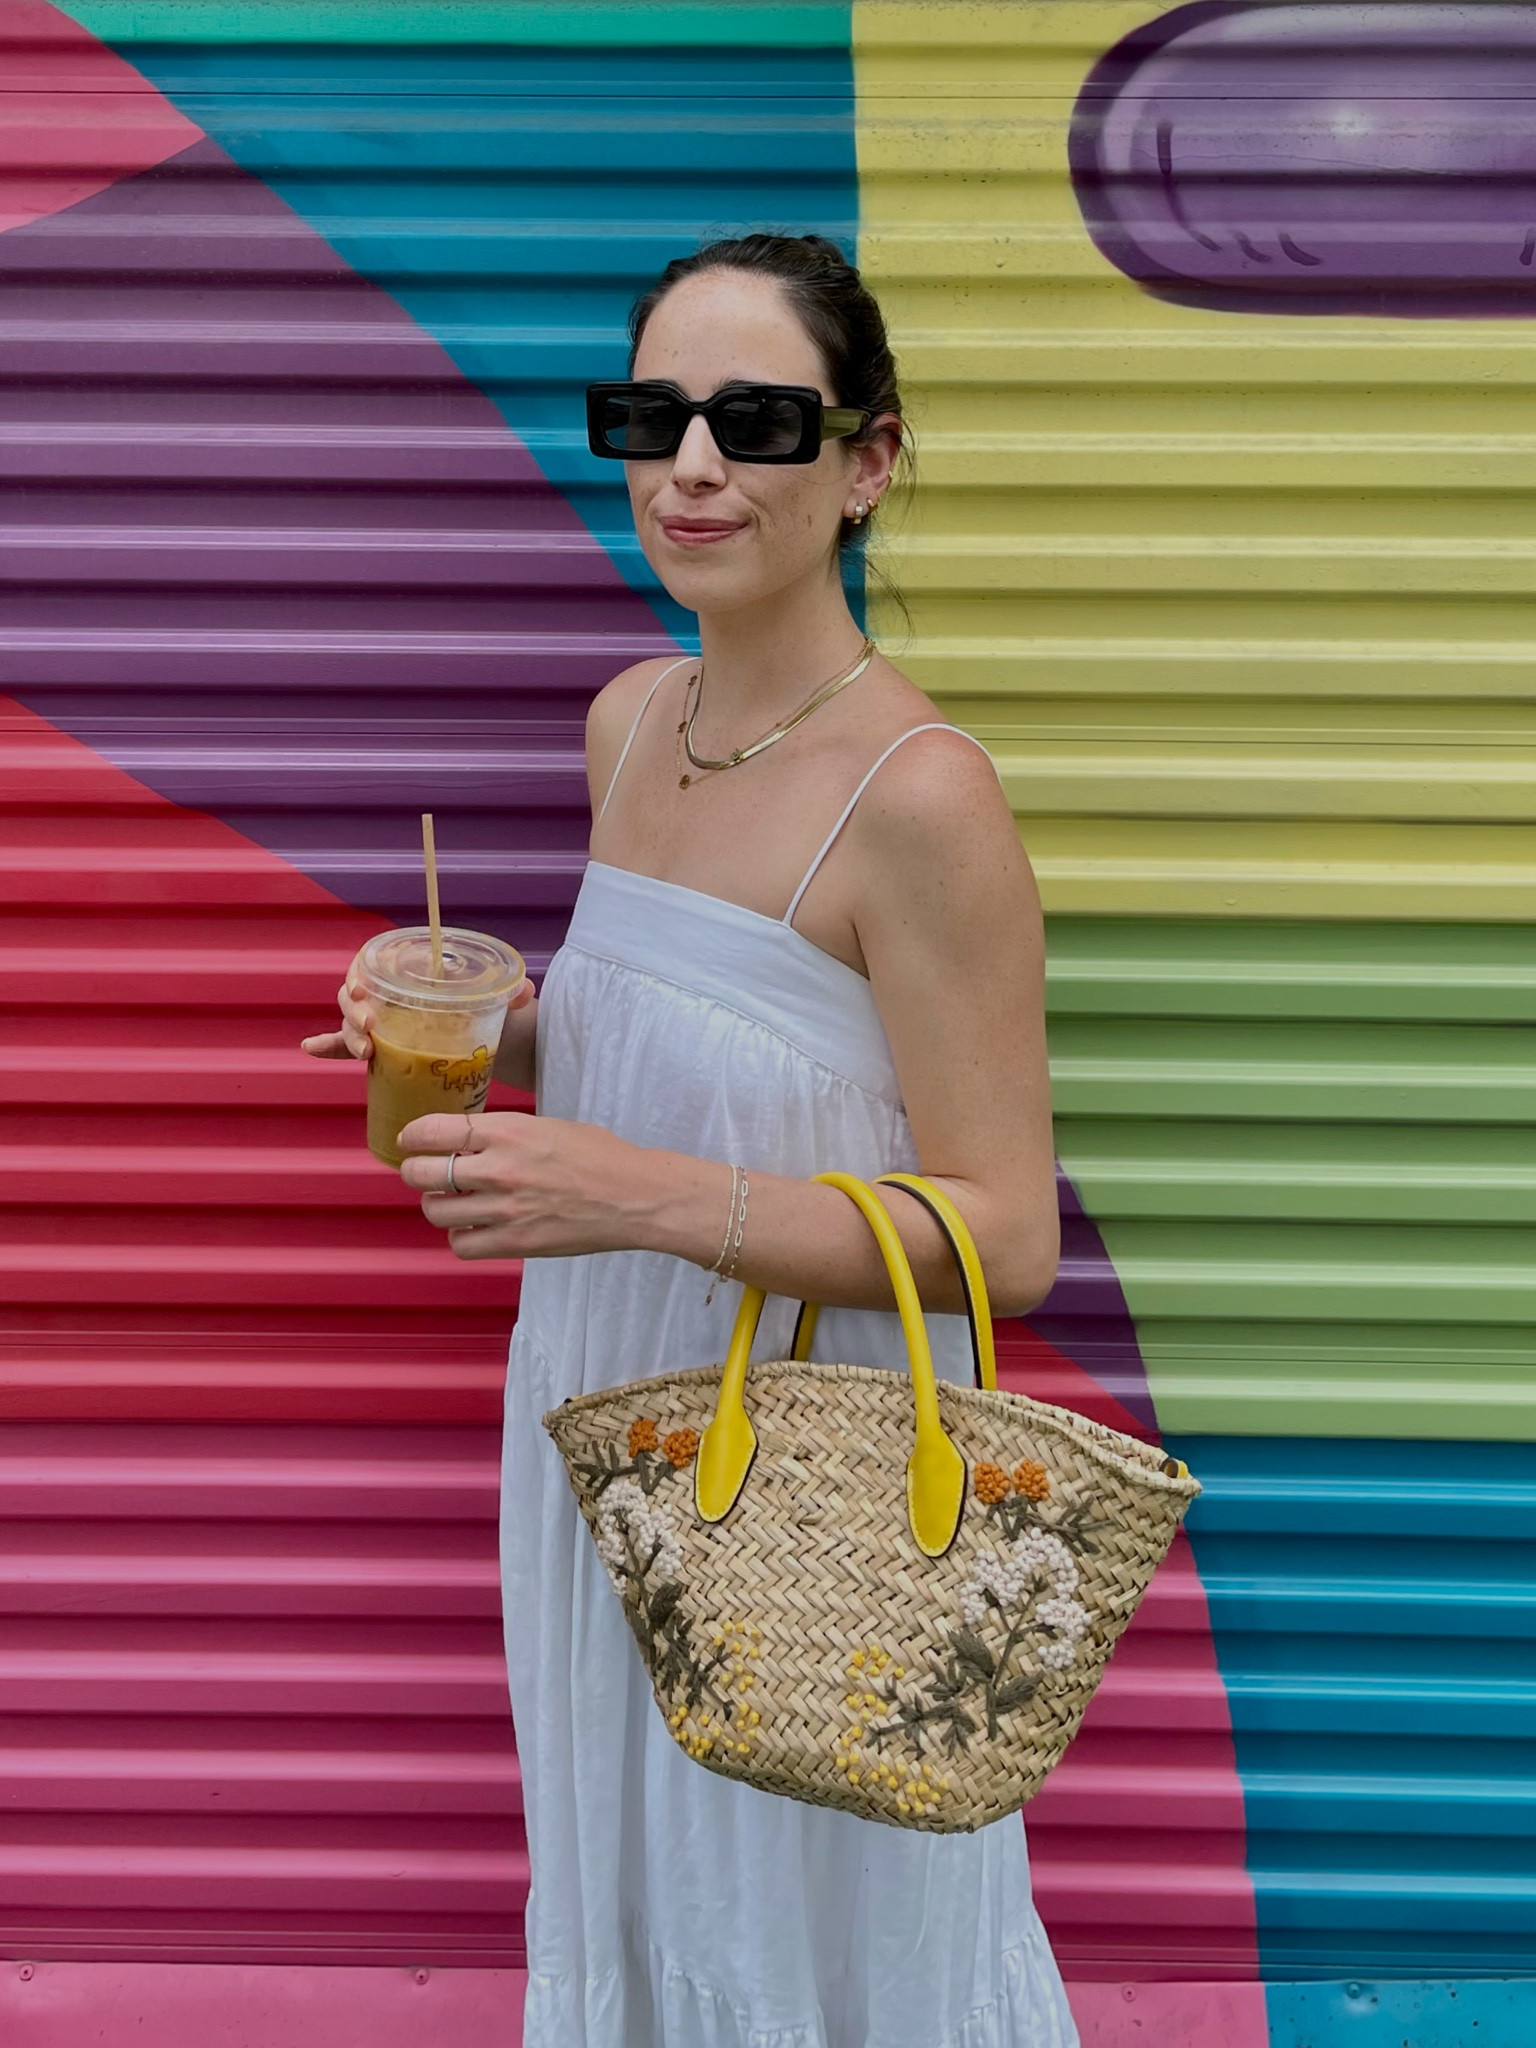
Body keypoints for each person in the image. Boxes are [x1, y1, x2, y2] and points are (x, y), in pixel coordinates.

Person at [303, 232, 1075, 2048]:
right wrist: (511, 1027)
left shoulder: (925, 798)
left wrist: (630, 1192)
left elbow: (1004, 1238)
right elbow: (714, 1018)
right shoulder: (630, 724)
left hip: (816, 1459)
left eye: (758, 419)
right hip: (599, 1408)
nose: (695, 465)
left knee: (821, 1900)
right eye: (653, 415)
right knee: (645, 1868)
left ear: (870, 459)